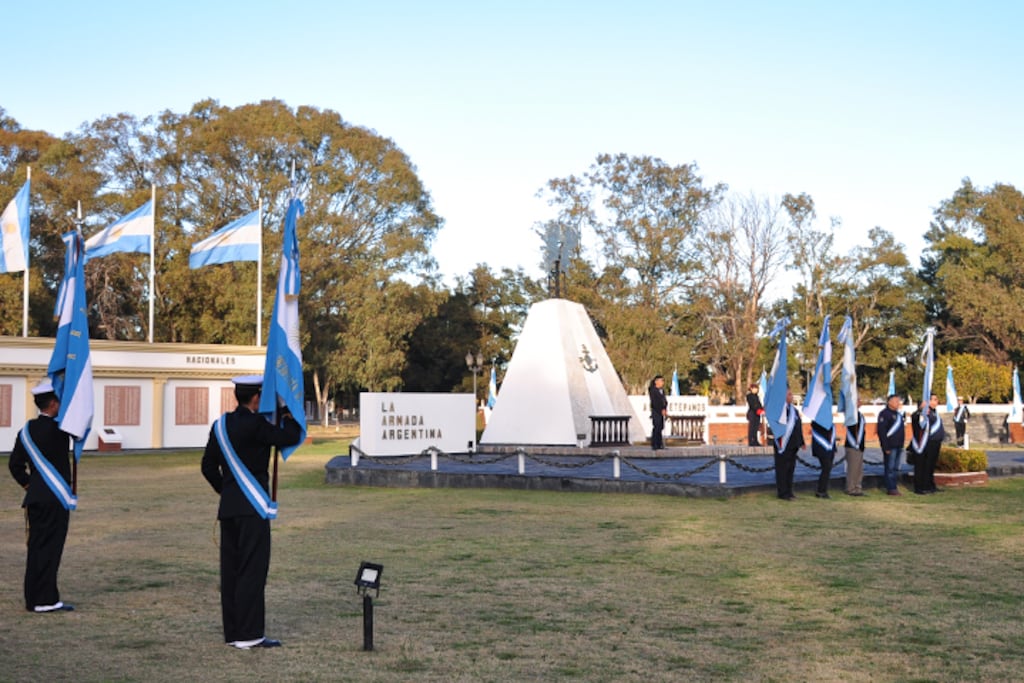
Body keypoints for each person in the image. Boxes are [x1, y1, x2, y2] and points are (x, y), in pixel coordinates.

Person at [201, 375, 302, 649]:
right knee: (252, 570)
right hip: (253, 507)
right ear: (256, 397)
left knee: (231, 571)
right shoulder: (257, 425)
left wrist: (228, 492)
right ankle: (250, 635)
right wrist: (286, 412)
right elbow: (291, 436)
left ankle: (233, 632)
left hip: (230, 509)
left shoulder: (219, 425)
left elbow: (207, 467)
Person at [7, 380, 75, 613]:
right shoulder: (61, 431)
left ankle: (33, 597)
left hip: (35, 498)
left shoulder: (25, 431)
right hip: (55, 499)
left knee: (36, 547)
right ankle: (46, 600)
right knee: (51, 548)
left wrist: (29, 484)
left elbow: (14, 465)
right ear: (54, 403)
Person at [772, 389, 805, 500]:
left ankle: (789, 491)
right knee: (782, 469)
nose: (792, 396)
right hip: (782, 445)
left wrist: (801, 441)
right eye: (790, 394)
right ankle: (782, 493)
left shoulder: (794, 411)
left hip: (793, 444)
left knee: (790, 469)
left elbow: (798, 427)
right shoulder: (779, 411)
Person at [915, 394, 945, 495]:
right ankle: (922, 486)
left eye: (936, 399)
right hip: (927, 442)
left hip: (935, 442)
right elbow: (916, 420)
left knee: (931, 466)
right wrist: (920, 409)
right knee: (924, 465)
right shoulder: (925, 412)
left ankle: (930, 485)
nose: (935, 401)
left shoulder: (934, 412)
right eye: (932, 399)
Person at [876, 394, 906, 496]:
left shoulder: (898, 414)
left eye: (899, 401)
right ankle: (891, 488)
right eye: (896, 401)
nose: (898, 403)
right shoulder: (884, 414)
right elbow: (882, 432)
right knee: (890, 467)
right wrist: (885, 447)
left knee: (895, 467)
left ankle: (893, 485)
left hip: (898, 445)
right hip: (890, 446)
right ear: (889, 402)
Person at [843, 403, 867, 496]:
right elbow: (852, 429)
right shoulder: (851, 414)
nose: (860, 401)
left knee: (859, 469)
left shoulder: (859, 414)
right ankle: (851, 488)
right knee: (853, 469)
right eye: (858, 399)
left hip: (859, 445)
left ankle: (857, 487)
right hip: (852, 444)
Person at [810, 419, 835, 499]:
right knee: (826, 467)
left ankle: (823, 490)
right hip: (821, 447)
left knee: (827, 468)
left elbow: (831, 433)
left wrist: (834, 447)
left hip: (829, 447)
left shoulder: (828, 420)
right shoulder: (817, 421)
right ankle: (821, 491)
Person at [648, 375, 668, 451]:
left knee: (660, 427)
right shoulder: (653, 390)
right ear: (656, 381)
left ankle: (660, 444)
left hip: (662, 411)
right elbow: (655, 402)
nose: (662, 383)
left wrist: (665, 408)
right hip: (656, 411)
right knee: (656, 427)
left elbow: (664, 401)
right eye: (661, 381)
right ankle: (655, 444)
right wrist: (661, 409)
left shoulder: (662, 390)